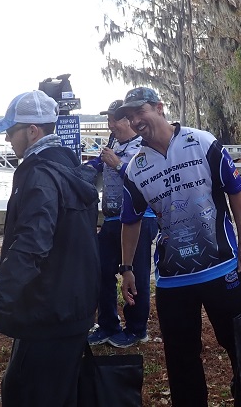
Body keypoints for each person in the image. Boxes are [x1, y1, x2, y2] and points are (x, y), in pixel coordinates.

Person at [115, 87, 241, 407]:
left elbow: (236, 190)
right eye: (130, 116)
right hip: (173, 279)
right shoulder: (136, 167)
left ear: (159, 107)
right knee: (181, 360)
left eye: (140, 112)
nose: (135, 121)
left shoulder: (202, 142)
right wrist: (127, 269)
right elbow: (131, 220)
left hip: (221, 267)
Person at [0, 90, 100, 406]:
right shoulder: (69, 166)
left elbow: (30, 248)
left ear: (32, 131)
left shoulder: (39, 174)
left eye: (11, 132)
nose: (7, 140)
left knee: (24, 394)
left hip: (48, 314)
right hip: (72, 308)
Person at [84, 99, 158, 348]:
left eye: (114, 119)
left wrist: (117, 164)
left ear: (128, 120)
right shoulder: (113, 143)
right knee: (101, 270)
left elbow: (145, 180)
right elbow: (97, 165)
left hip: (140, 219)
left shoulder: (144, 147)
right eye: (108, 119)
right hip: (112, 219)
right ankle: (107, 325)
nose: (110, 125)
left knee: (135, 274)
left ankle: (136, 329)